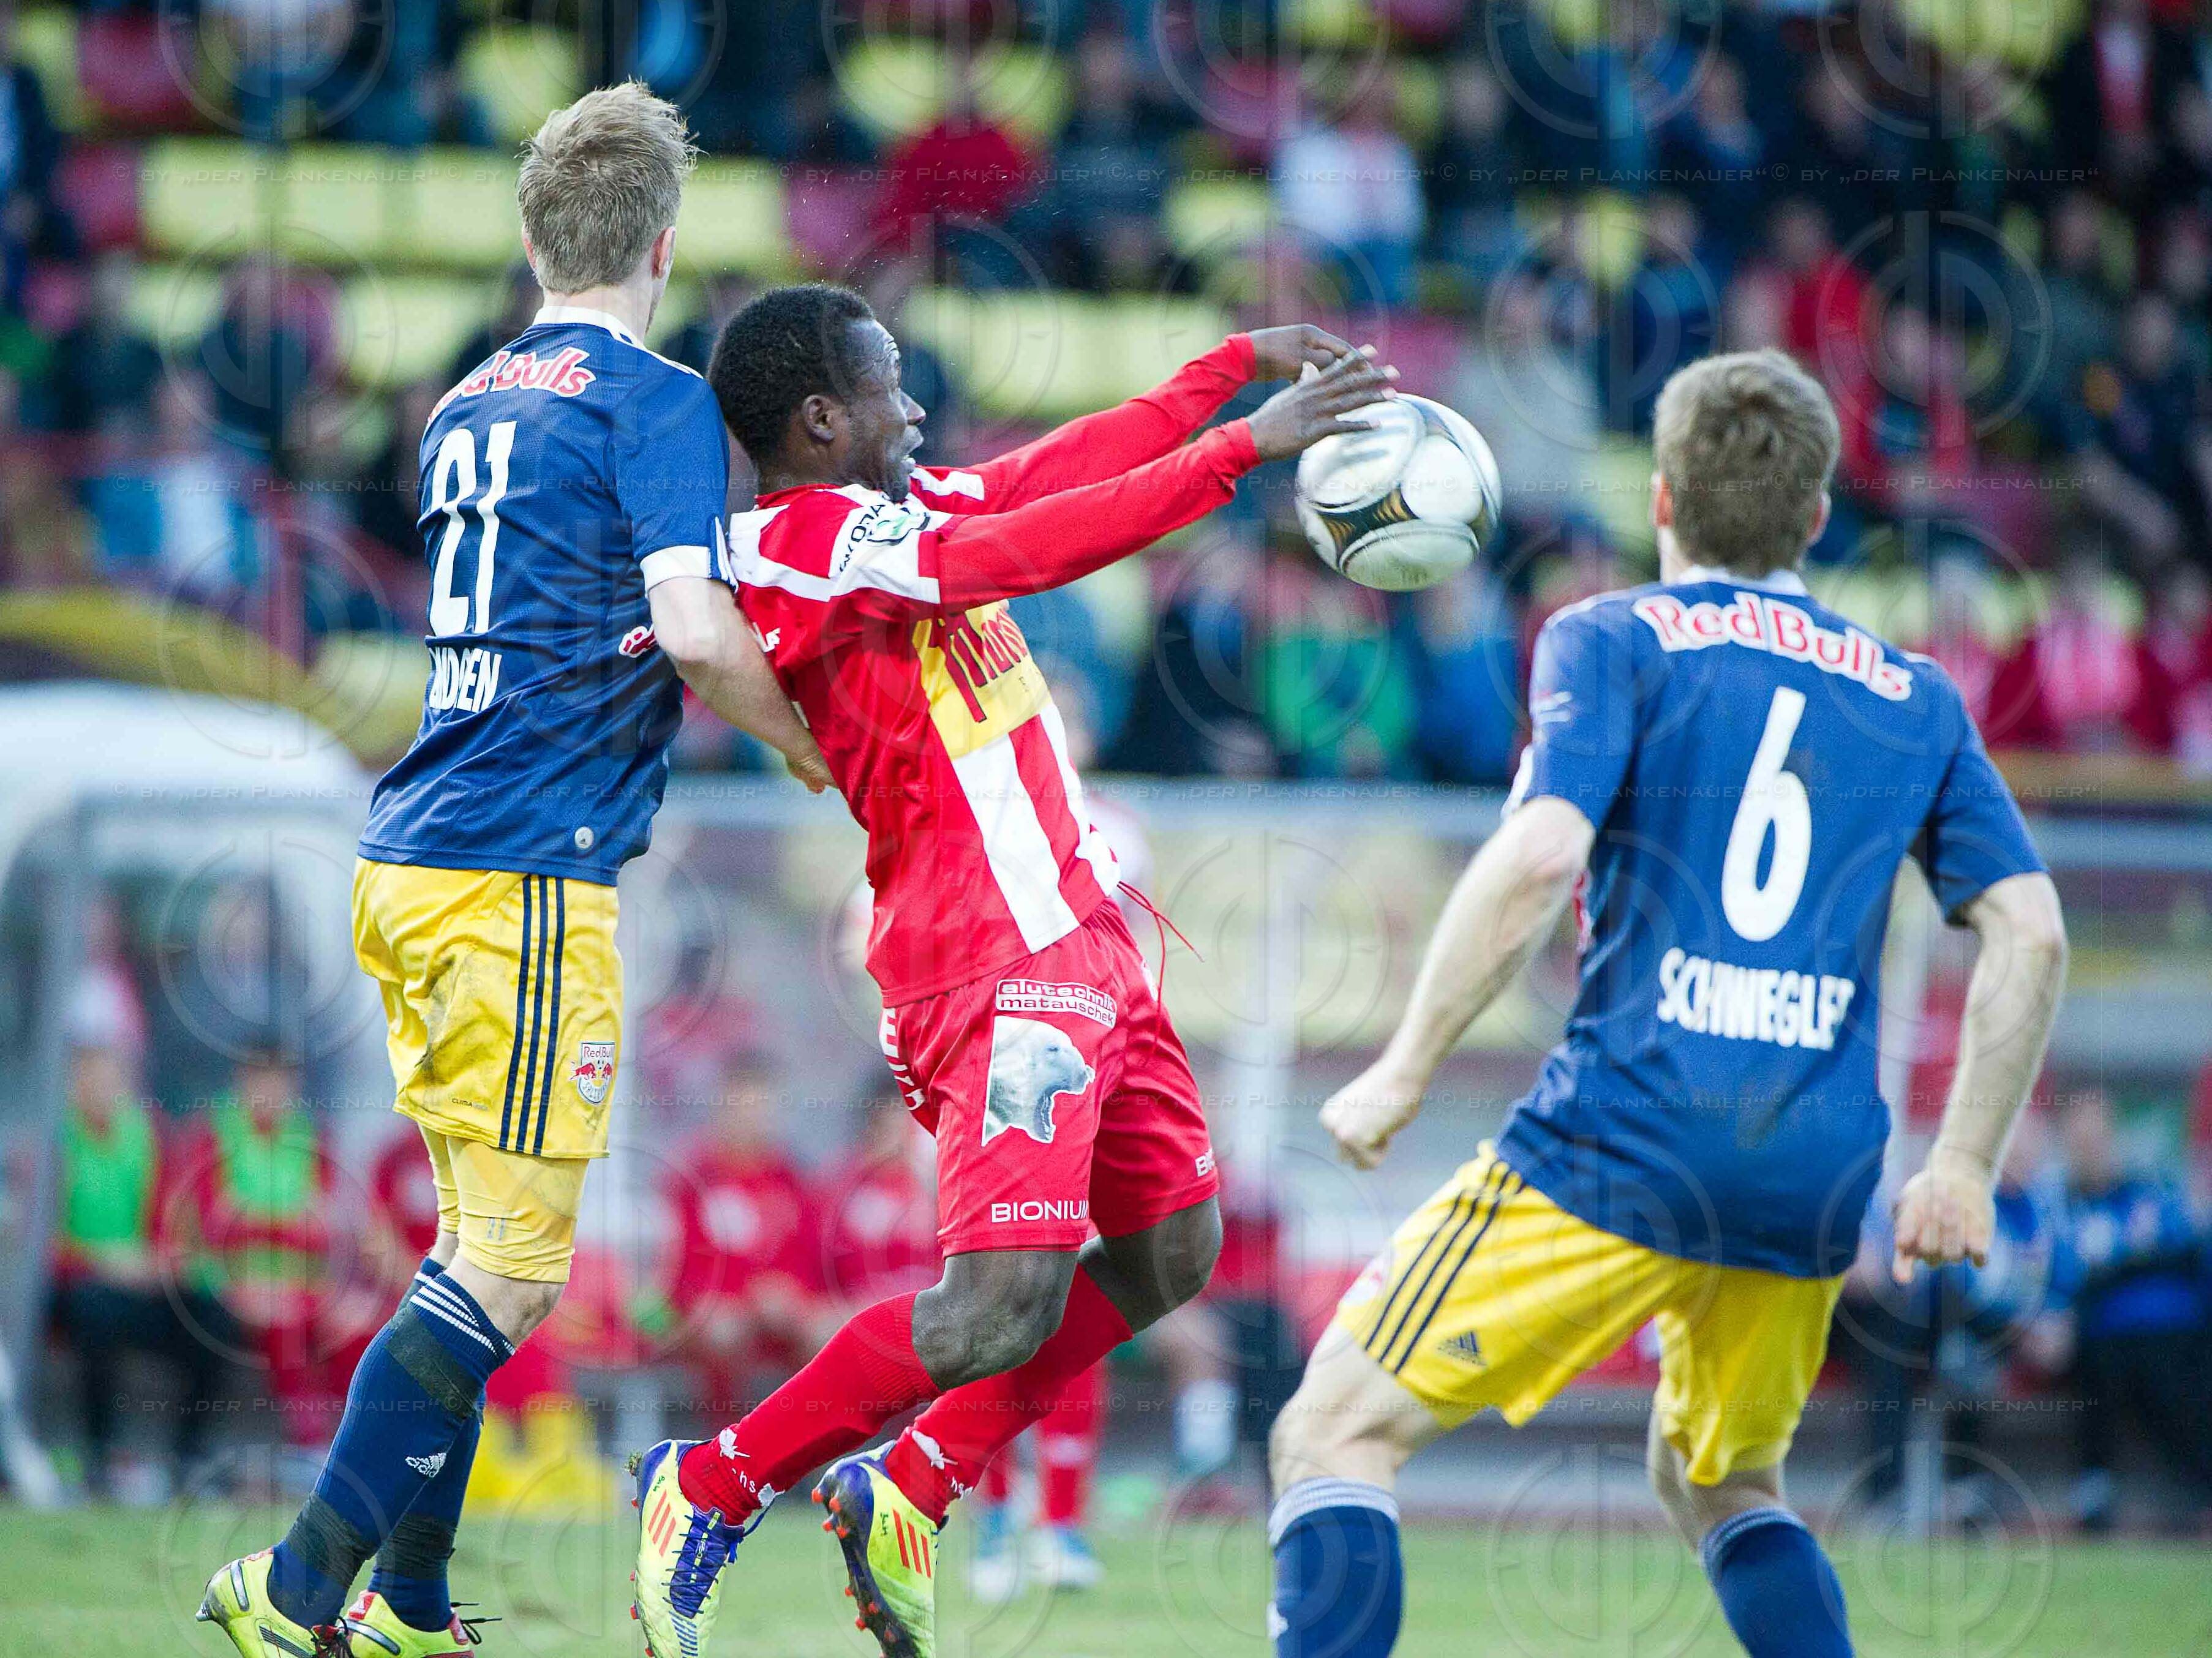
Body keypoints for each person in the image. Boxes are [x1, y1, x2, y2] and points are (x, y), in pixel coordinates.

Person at [625, 282, 1398, 1658]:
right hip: (990, 958)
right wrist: (1244, 448)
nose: (914, 407)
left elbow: (1055, 471)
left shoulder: (893, 512)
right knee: (999, 1304)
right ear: (819, 418)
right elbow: (1033, 548)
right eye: (889, 385)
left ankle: (911, 1488)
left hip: (1089, 934)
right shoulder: (801, 542)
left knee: (1176, 1249)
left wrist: (1226, 370)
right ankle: (712, 1480)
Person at [1266, 349, 2069, 1658]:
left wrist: (1405, 1064)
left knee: (1332, 1428)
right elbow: (2030, 929)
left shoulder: (1611, 637)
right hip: (1812, 1168)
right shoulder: (1917, 696)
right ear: (1818, 516)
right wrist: (1965, 1162)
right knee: (1720, 1480)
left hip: (1629, 1135)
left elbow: (1539, 854)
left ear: (1661, 501)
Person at [198, 81, 831, 1658]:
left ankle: (407, 1607)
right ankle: (294, 1593)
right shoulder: (655, 400)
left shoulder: (466, 403)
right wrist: (814, 753)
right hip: (526, 876)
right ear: (664, 247)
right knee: (513, 1268)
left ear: (534, 235)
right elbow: (692, 631)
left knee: (469, 1243)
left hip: (414, 856)